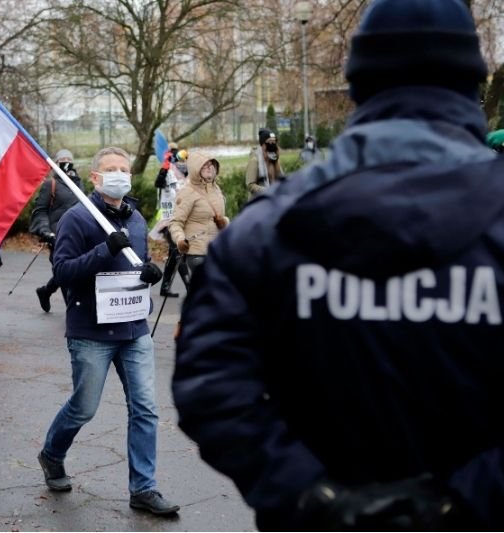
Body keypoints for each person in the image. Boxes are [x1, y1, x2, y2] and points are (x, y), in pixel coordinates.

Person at [173, 0, 500, 529]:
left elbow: (209, 381)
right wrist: (460, 502)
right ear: (473, 86)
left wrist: (311, 493)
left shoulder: (265, 232)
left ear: (355, 87)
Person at [37, 147, 179, 516]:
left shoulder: (135, 219)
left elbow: (139, 264)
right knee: (84, 408)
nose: (120, 175)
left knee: (145, 409)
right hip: (91, 333)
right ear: (95, 178)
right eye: (111, 170)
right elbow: (63, 271)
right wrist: (103, 250)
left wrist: (151, 272)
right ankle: (52, 454)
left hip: (134, 330)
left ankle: (143, 489)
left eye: (125, 169)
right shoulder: (77, 218)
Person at [30, 148, 81, 312]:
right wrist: (45, 231)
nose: (66, 162)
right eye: (62, 160)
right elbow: (40, 210)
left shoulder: (78, 183)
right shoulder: (49, 184)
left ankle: (45, 291)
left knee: (72, 271)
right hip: (57, 237)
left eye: (69, 159)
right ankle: (74, 311)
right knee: (65, 272)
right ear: (55, 164)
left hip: (78, 235)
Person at [168, 151, 227, 284]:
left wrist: (225, 222)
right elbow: (175, 222)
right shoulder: (187, 192)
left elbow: (217, 217)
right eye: (204, 165)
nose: (209, 168)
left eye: (211, 164)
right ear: (196, 168)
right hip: (197, 251)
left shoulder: (216, 189)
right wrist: (180, 240)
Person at [153, 143, 188, 298]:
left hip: (179, 218)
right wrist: (165, 166)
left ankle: (165, 287)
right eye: (171, 154)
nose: (175, 157)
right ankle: (191, 287)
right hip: (166, 219)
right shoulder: (166, 171)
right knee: (178, 251)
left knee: (174, 256)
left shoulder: (183, 173)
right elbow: (158, 183)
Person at [245, 129, 283, 199]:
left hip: (274, 200)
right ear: (262, 145)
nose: (272, 145)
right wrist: (267, 190)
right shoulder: (255, 161)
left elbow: (280, 178)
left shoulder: (274, 159)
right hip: (259, 201)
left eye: (274, 142)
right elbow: (250, 185)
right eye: (270, 142)